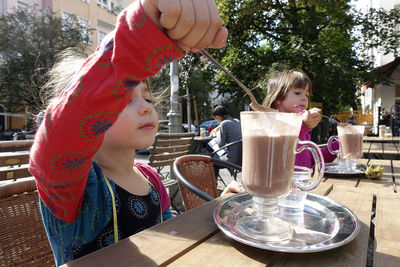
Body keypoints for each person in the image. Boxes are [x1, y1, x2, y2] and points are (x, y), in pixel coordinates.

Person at [28, 1, 242, 265]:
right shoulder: (76, 186)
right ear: (94, 112)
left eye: (148, 98)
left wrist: (216, 210)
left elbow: (169, 234)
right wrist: (141, 36)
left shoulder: (150, 177)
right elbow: (64, 128)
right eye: (124, 100)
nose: (145, 107)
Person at [262, 70, 339, 168]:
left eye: (307, 95)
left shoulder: (302, 131)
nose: (304, 98)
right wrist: (304, 125)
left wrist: (337, 146)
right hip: (280, 182)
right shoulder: (271, 124)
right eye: (297, 93)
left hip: (302, 182)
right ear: (279, 98)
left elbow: (310, 160)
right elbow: (283, 143)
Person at [210, 105, 242, 176]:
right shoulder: (236, 121)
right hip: (241, 158)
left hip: (231, 159)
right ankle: (232, 174)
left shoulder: (223, 124)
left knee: (212, 161)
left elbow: (220, 144)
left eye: (215, 118)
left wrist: (215, 135)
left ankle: (214, 183)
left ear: (217, 116)